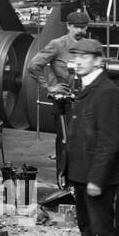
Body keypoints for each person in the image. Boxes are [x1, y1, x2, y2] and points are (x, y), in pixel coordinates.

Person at [63, 37, 119, 236]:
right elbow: (77, 135)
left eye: (84, 57)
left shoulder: (106, 91)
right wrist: (67, 169)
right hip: (80, 173)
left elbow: (109, 141)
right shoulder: (84, 87)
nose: (77, 61)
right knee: (87, 229)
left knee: (102, 232)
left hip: (96, 177)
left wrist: (97, 179)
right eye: (75, 56)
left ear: (98, 60)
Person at [28, 9, 91, 176]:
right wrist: (49, 87)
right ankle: (63, 180)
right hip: (65, 102)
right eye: (76, 27)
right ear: (68, 26)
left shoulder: (90, 45)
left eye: (83, 27)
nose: (80, 31)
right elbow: (33, 65)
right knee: (66, 141)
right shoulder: (57, 45)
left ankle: (79, 181)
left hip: (85, 101)